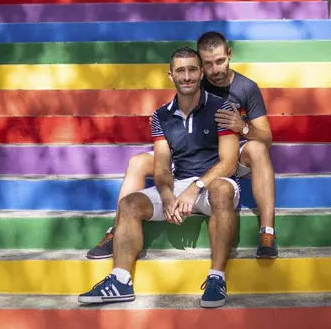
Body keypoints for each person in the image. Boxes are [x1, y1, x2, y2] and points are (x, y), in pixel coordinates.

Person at [86, 31, 277, 260]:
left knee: (258, 148)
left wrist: (242, 127)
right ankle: (116, 230)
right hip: (191, 152)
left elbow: (267, 137)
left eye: (220, 61)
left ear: (229, 55)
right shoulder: (193, 78)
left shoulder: (247, 88)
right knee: (137, 162)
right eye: (207, 64)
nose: (215, 70)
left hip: (230, 150)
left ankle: (267, 231)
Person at [78, 46, 241, 308]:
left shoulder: (221, 107)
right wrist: (166, 194)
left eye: (191, 70)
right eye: (180, 71)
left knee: (222, 189)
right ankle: (120, 280)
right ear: (171, 75)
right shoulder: (160, 115)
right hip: (180, 182)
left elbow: (229, 163)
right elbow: (163, 165)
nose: (186, 76)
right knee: (129, 203)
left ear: (201, 73)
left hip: (213, 184)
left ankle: (216, 278)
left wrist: (196, 187)